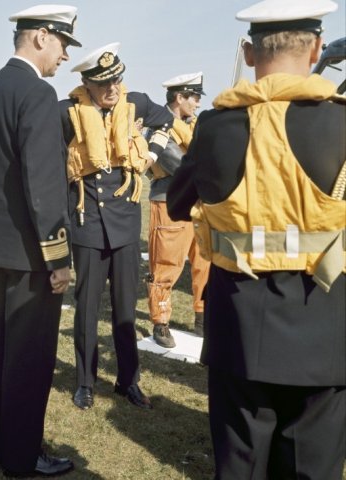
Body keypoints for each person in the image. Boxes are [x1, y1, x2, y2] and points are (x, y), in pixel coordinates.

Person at [167, 0, 346, 478]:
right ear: (317, 50)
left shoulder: (213, 126)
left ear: (249, 54)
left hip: (238, 326)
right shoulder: (342, 122)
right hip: (326, 324)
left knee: (240, 468)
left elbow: (179, 204)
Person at [0, 5, 81, 478]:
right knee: (30, 360)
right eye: (62, 43)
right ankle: (21, 458)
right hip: (32, 252)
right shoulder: (37, 93)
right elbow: (44, 184)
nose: (64, 56)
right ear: (40, 37)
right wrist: (58, 258)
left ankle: (2, 446)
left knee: (4, 352)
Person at [59, 42, 174, 410]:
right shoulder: (67, 113)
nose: (112, 88)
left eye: (116, 80)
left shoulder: (136, 102)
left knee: (125, 309)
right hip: (88, 222)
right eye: (103, 83)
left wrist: (151, 154)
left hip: (125, 222)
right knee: (87, 308)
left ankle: (129, 382)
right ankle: (85, 382)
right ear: (87, 84)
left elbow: (167, 120)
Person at [147, 72, 210, 348]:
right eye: (194, 97)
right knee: (166, 263)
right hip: (170, 201)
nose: (197, 103)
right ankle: (160, 320)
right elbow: (182, 166)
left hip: (200, 203)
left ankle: (203, 316)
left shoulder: (195, 126)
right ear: (179, 97)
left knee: (204, 261)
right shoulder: (160, 127)